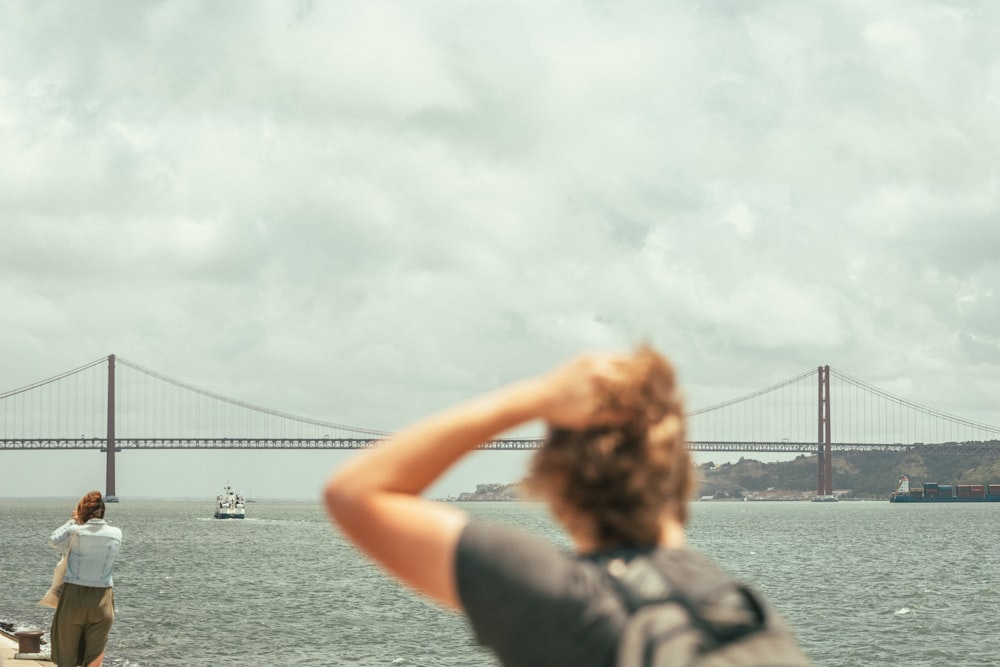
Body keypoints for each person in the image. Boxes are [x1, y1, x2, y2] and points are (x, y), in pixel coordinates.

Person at [324, 346, 808, 666]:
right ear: (682, 475)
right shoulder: (752, 616)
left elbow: (356, 492)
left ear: (554, 487)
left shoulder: (569, 603)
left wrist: (534, 398)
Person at [49, 491, 123, 667]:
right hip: (102, 599)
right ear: (103, 511)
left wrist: (73, 520)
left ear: (83, 511)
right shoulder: (116, 533)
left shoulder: (76, 531)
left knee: (66, 654)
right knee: (95, 654)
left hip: (74, 597)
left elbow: (53, 541)